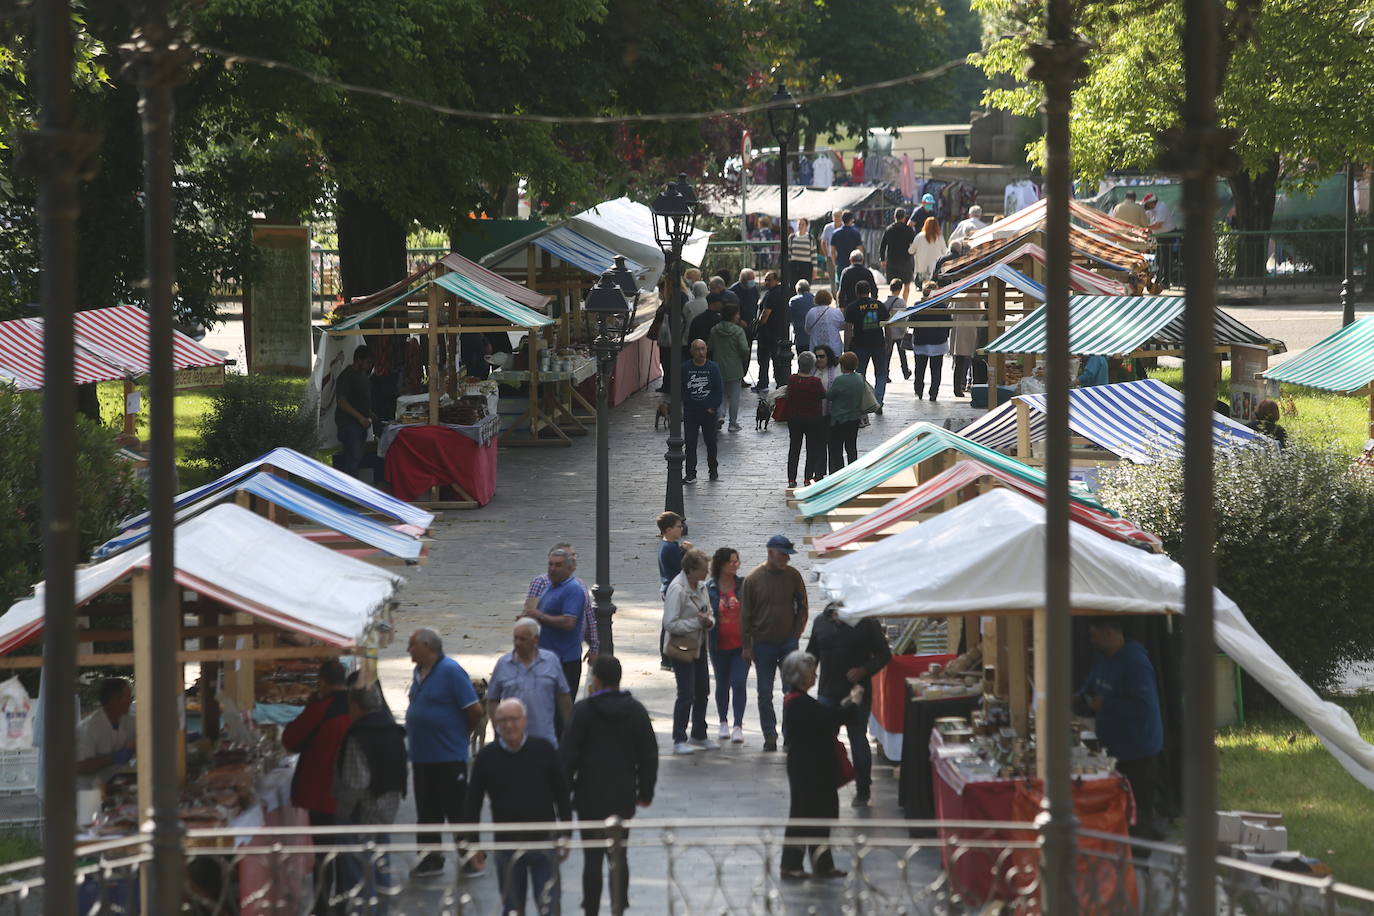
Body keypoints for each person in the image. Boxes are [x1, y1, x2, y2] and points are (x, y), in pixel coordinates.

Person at [561, 656, 657, 916]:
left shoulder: (582, 711)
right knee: (619, 855)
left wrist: (564, 793)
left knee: (592, 858)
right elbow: (649, 755)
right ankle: (618, 905)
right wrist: (645, 792)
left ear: (597, 680)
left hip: (588, 797)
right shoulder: (636, 711)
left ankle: (591, 907)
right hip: (622, 796)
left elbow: (568, 757)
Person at [466, 698, 572, 916]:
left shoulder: (543, 750)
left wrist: (566, 833)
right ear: (495, 724)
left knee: (550, 907)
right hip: (507, 846)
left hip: (544, 843)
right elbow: (472, 802)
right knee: (512, 909)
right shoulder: (487, 757)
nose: (509, 725)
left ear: (524, 721)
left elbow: (562, 793)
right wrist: (473, 844)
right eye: (502, 720)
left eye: (514, 719)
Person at [403, 628, 485, 879]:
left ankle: (473, 858)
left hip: (448, 757)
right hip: (422, 757)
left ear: (428, 646)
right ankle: (431, 858)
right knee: (427, 811)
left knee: (457, 809)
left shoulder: (450, 671)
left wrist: (457, 737)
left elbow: (475, 711)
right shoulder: (419, 672)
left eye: (412, 645)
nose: (408, 650)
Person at [1075, 618, 1164, 840]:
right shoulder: (1103, 657)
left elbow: (1144, 704)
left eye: (1094, 635)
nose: (1091, 641)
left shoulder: (1135, 662)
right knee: (1121, 801)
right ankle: (1124, 841)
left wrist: (1106, 704)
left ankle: (1142, 857)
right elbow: (1093, 681)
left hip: (1138, 746)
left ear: (1109, 634)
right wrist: (1078, 695)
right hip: (1114, 743)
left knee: (1139, 802)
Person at [778, 650, 862, 880]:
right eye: (811, 673)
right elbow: (827, 719)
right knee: (803, 817)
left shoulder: (801, 700)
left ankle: (822, 864)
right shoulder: (797, 702)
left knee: (821, 816)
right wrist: (852, 703)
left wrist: (846, 704)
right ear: (800, 676)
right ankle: (791, 865)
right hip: (807, 769)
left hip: (815, 767)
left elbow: (826, 716)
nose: (814, 677)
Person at [282, 660, 352, 911]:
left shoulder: (321, 708)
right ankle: (345, 903)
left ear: (322, 682)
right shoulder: (357, 707)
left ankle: (323, 905)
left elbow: (290, 739)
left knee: (324, 853)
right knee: (347, 852)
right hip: (353, 793)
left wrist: (311, 706)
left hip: (323, 793)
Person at [805, 603, 891, 807]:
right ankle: (824, 785)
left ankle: (863, 790)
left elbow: (884, 655)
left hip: (857, 693)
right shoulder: (820, 622)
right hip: (827, 692)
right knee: (824, 741)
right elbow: (812, 655)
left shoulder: (866, 622)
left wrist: (863, 670)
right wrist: (804, 676)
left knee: (858, 739)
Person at [333, 684, 408, 910]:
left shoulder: (359, 734)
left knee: (359, 877)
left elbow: (355, 783)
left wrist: (343, 811)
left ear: (355, 706)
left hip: (361, 815)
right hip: (386, 810)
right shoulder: (393, 728)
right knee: (380, 869)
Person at [739, 535, 809, 752]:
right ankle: (770, 734)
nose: (787, 559)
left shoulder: (793, 576)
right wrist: (747, 645)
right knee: (764, 692)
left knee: (792, 691)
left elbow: (803, 606)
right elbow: (745, 615)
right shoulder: (753, 579)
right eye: (783, 554)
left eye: (788, 555)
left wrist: (795, 634)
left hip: (788, 642)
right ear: (770, 552)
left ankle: (790, 735)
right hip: (763, 643)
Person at [663, 548, 718, 755]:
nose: (707, 573)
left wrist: (708, 622)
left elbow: (709, 615)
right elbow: (669, 623)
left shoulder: (702, 587)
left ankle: (699, 734)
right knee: (686, 693)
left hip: (700, 646)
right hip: (682, 648)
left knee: (702, 691)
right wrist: (697, 623)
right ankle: (679, 738)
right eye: (704, 570)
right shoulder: (678, 589)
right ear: (691, 570)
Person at [488, 618, 573, 749]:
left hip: (545, 740)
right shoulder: (503, 664)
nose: (517, 643)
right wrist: (498, 728)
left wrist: (569, 730)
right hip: (511, 742)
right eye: (515, 638)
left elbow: (564, 697)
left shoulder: (551, 661)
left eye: (522, 639)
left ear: (536, 640)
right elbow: (492, 699)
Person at [521, 547, 591, 706]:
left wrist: (540, 616)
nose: (552, 569)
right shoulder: (550, 586)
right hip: (545, 657)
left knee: (560, 712)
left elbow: (569, 622)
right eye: (550, 564)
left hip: (564, 660)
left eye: (558, 565)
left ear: (570, 567)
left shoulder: (573, 589)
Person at [524, 543, 600, 669]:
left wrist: (594, 647)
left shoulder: (579, 585)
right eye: (552, 564)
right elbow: (530, 613)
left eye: (573, 557)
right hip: (544, 654)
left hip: (568, 655)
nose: (573, 561)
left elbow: (588, 617)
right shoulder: (542, 583)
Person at [706, 547, 749, 744]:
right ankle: (723, 722)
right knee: (722, 684)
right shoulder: (710, 588)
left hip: (741, 645)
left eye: (737, 561)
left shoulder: (743, 586)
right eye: (731, 561)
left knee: (738, 682)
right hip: (718, 645)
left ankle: (738, 725)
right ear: (721, 564)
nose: (735, 564)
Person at [76, 677, 135, 792]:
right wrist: (115, 757)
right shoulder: (89, 728)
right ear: (114, 700)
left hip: (111, 786)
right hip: (86, 791)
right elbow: (79, 766)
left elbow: (145, 730)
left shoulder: (126, 720)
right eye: (127, 697)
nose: (130, 701)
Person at [335, 344, 379, 480]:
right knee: (353, 460)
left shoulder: (363, 376)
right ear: (358, 360)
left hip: (360, 425)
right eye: (367, 362)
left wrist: (369, 413)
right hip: (349, 425)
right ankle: (349, 492)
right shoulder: (346, 376)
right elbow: (341, 401)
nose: (369, 366)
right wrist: (360, 417)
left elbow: (360, 400)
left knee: (356, 458)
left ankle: (349, 490)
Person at [682, 338, 723, 484]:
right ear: (692, 351)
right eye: (697, 349)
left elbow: (719, 390)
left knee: (711, 443)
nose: (700, 352)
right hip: (691, 412)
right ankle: (691, 473)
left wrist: (713, 408)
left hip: (708, 413)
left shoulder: (713, 368)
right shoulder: (686, 368)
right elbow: (681, 388)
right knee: (690, 444)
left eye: (703, 348)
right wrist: (686, 405)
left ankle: (713, 470)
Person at [785, 351, 828, 488]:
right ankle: (807, 477)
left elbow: (788, 395)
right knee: (811, 448)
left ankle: (791, 479)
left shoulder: (792, 379)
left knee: (794, 448)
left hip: (794, 418)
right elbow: (823, 395)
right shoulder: (815, 382)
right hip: (813, 419)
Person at [843, 280, 888, 412]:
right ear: (869, 291)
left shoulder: (852, 307)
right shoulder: (879, 305)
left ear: (856, 292)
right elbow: (888, 325)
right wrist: (889, 342)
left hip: (860, 345)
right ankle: (878, 402)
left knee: (860, 374)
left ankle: (861, 403)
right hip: (878, 343)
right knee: (880, 374)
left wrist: (846, 347)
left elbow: (848, 329)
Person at [708, 303, 750, 432]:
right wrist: (743, 355)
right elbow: (744, 349)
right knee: (734, 397)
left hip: (718, 366)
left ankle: (720, 415)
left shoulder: (714, 329)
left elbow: (710, 347)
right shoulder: (738, 331)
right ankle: (732, 423)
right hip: (734, 368)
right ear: (733, 315)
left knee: (720, 394)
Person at [909, 283, 951, 402]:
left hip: (921, 341)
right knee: (936, 369)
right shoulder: (942, 306)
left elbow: (910, 322)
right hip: (938, 342)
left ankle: (918, 391)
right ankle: (933, 393)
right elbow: (949, 324)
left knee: (920, 368)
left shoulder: (918, 305)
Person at [825, 352, 865, 469]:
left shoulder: (840, 381)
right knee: (851, 447)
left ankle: (838, 472)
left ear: (842, 365)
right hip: (854, 418)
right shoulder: (859, 378)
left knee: (836, 449)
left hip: (839, 419)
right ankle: (853, 470)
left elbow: (829, 395)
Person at [756, 270, 793, 390]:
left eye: (769, 280)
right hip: (780, 332)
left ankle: (763, 383)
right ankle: (780, 383)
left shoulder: (772, 294)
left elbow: (765, 315)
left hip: (768, 333)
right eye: (765, 279)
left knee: (764, 359)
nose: (766, 282)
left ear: (776, 280)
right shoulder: (783, 292)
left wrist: (758, 325)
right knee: (777, 360)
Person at [878, 208, 916, 287]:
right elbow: (914, 244)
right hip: (905, 261)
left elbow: (883, 246)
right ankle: (904, 299)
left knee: (893, 284)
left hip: (892, 261)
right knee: (907, 284)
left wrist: (882, 259)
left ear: (894, 217)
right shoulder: (909, 230)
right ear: (904, 218)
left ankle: (895, 298)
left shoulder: (888, 229)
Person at [884, 278, 912, 382]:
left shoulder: (885, 302)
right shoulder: (901, 302)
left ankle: (886, 373)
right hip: (900, 333)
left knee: (887, 354)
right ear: (900, 289)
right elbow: (903, 318)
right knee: (902, 354)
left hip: (889, 333)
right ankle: (905, 372)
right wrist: (904, 330)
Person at [803, 289, 845, 358]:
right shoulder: (836, 312)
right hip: (834, 349)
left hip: (816, 348)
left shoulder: (811, 312)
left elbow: (807, 329)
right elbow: (842, 326)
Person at [908, 216, 949, 285]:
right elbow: (945, 252)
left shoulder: (919, 236)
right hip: (935, 270)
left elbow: (910, 251)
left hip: (921, 270)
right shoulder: (939, 237)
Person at [656, 511, 685, 598]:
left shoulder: (665, 544)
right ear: (669, 530)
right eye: (679, 527)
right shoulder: (670, 547)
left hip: (668, 587)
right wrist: (690, 552)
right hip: (674, 590)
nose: (682, 529)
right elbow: (683, 568)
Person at [828, 211, 863, 283]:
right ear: (851, 220)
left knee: (840, 283)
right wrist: (860, 261)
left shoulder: (835, 233)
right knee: (853, 283)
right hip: (853, 263)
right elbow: (860, 249)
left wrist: (835, 263)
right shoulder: (855, 233)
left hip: (840, 262)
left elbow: (832, 251)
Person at [689, 290, 724, 356]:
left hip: (698, 353)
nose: (722, 304)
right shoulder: (719, 320)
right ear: (715, 303)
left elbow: (691, 339)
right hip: (715, 354)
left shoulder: (697, 319)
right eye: (720, 302)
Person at [728, 268, 760, 333]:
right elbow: (730, 309)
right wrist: (739, 320)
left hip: (751, 323)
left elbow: (756, 301)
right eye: (750, 280)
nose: (752, 282)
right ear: (743, 280)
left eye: (753, 279)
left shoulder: (753, 289)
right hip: (737, 325)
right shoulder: (733, 291)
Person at [788, 280, 816, 353]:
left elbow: (789, 317)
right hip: (814, 336)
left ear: (797, 289)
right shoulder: (815, 299)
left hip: (800, 335)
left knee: (802, 358)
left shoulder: (793, 301)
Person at [787, 217, 815, 283]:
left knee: (805, 286)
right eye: (799, 224)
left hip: (806, 266)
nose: (801, 226)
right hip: (794, 265)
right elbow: (789, 253)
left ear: (806, 226)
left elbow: (813, 254)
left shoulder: (810, 238)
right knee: (793, 286)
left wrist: (815, 270)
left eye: (803, 224)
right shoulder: (792, 237)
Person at [820, 210, 843, 279]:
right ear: (832, 217)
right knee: (832, 278)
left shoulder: (845, 227)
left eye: (838, 216)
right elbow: (823, 242)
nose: (837, 218)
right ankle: (833, 290)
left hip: (842, 257)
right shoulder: (828, 227)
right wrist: (826, 254)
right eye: (835, 216)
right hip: (830, 257)